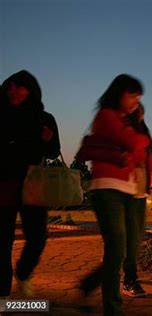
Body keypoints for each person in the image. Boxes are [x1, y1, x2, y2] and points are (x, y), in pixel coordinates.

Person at [79, 76, 152, 314]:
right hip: (108, 187)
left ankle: (94, 284)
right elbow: (130, 142)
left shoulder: (134, 127)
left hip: (134, 192)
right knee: (116, 249)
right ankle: (113, 306)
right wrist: (140, 140)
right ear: (119, 93)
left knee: (127, 247)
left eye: (139, 100)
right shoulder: (107, 116)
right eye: (133, 96)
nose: (136, 104)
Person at [0, 70, 60, 299]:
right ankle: (2, 296)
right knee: (2, 243)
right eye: (10, 87)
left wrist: (47, 140)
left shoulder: (44, 118)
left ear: (31, 90)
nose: (13, 91)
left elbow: (54, 151)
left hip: (32, 184)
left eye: (20, 87)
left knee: (37, 237)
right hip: (3, 184)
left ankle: (23, 273)